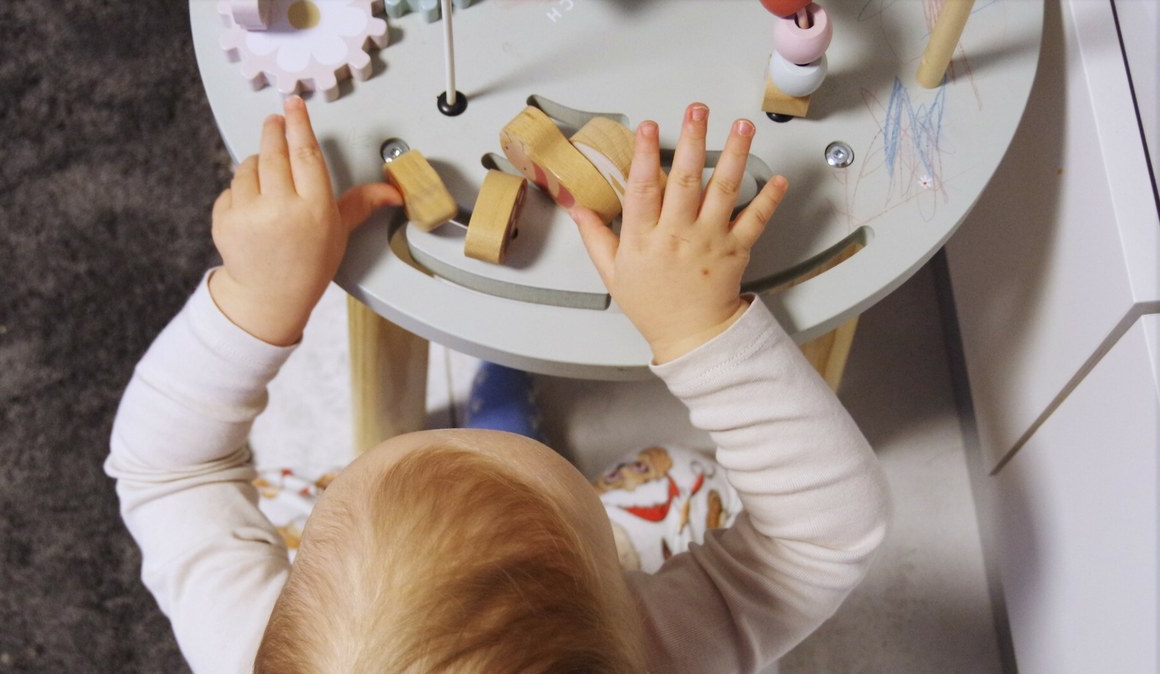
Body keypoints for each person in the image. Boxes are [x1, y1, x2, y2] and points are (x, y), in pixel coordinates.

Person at [107, 95, 891, 674]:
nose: (452, 441)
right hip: (637, 568)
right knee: (689, 484)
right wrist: (702, 333)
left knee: (286, 500)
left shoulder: (247, 649)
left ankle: (452, 464)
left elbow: (169, 473)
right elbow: (823, 538)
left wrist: (256, 300)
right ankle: (519, 440)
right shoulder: (669, 658)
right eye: (519, 462)